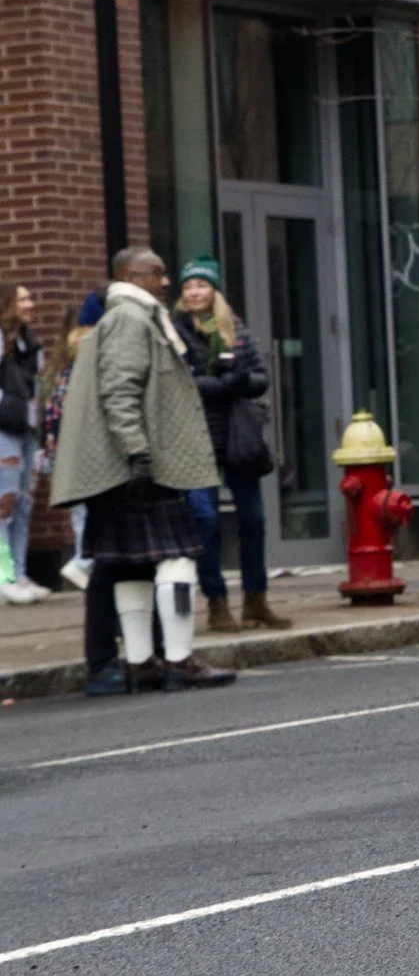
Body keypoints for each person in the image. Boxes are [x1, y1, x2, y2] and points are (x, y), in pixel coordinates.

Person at [52, 248, 235, 693]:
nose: (166, 281)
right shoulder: (132, 320)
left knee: (127, 565)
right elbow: (119, 390)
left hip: (133, 460)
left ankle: (141, 664)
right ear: (131, 276)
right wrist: (137, 452)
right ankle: (176, 662)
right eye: (156, 273)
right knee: (175, 558)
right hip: (142, 460)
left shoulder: (131, 316)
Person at [169, 258, 285, 632]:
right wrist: (226, 384)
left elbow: (260, 379)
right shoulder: (176, 332)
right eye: (188, 287)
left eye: (201, 285)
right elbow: (184, 383)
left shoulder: (234, 328)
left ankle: (256, 600)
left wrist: (239, 379)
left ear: (214, 290)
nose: (195, 293)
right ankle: (217, 603)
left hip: (236, 437)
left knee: (253, 520)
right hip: (196, 436)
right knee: (206, 522)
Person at [40, 292, 103, 592]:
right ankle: (83, 562)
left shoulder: (62, 370)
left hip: (64, 452)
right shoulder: (83, 369)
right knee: (90, 511)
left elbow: (51, 413)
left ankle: (84, 561)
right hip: (80, 451)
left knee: (82, 512)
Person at [0, 284, 44, 603]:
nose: (31, 303)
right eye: (23, 298)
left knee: (24, 503)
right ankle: (4, 575)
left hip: (28, 428)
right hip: (5, 428)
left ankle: (19, 571)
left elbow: (39, 381)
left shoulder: (29, 341)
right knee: (4, 502)